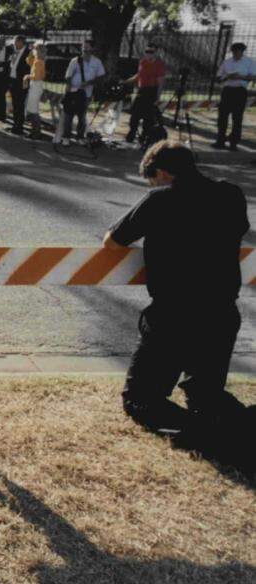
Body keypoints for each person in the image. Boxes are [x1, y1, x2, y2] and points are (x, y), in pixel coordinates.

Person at [103, 141, 251, 436]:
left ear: (161, 172)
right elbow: (239, 229)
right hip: (221, 313)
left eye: (152, 179)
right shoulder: (231, 195)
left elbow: (113, 242)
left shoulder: (159, 199)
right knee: (205, 396)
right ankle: (221, 419)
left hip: (173, 317)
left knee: (139, 402)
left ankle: (196, 430)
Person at [213, 42, 255, 151]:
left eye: (238, 52)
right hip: (227, 91)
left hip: (240, 91)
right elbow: (218, 78)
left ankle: (233, 143)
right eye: (234, 52)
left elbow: (253, 77)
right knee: (222, 117)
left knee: (237, 118)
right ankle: (220, 140)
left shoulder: (249, 62)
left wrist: (240, 77)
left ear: (242, 51)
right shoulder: (226, 62)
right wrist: (227, 76)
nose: (236, 54)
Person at [61, 39, 105, 142]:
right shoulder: (75, 61)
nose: (84, 49)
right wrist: (68, 89)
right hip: (73, 92)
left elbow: (101, 77)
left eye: (87, 47)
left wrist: (89, 82)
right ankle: (66, 137)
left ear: (92, 48)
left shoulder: (97, 62)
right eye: (83, 47)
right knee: (69, 115)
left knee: (82, 116)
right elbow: (68, 76)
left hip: (86, 94)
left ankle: (80, 137)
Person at [123, 43, 166, 144]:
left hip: (152, 91)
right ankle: (132, 133)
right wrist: (126, 81)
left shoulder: (159, 65)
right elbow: (139, 75)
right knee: (134, 115)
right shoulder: (142, 62)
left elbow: (161, 83)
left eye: (151, 52)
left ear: (156, 52)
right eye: (147, 51)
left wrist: (158, 97)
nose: (148, 54)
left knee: (148, 118)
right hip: (141, 90)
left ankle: (144, 137)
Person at [7, 35, 31, 135]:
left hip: (21, 82)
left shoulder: (28, 53)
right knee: (14, 104)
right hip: (12, 81)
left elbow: (28, 69)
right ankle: (15, 124)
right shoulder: (15, 51)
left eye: (15, 42)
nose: (14, 44)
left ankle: (19, 126)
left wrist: (25, 82)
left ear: (21, 42)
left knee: (20, 105)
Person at [23, 42, 46, 139]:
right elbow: (28, 60)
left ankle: (36, 132)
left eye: (35, 49)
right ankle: (35, 131)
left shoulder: (38, 62)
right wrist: (30, 52)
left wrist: (27, 76)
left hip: (36, 86)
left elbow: (36, 77)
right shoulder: (37, 60)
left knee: (33, 111)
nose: (33, 50)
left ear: (38, 50)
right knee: (32, 109)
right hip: (36, 86)